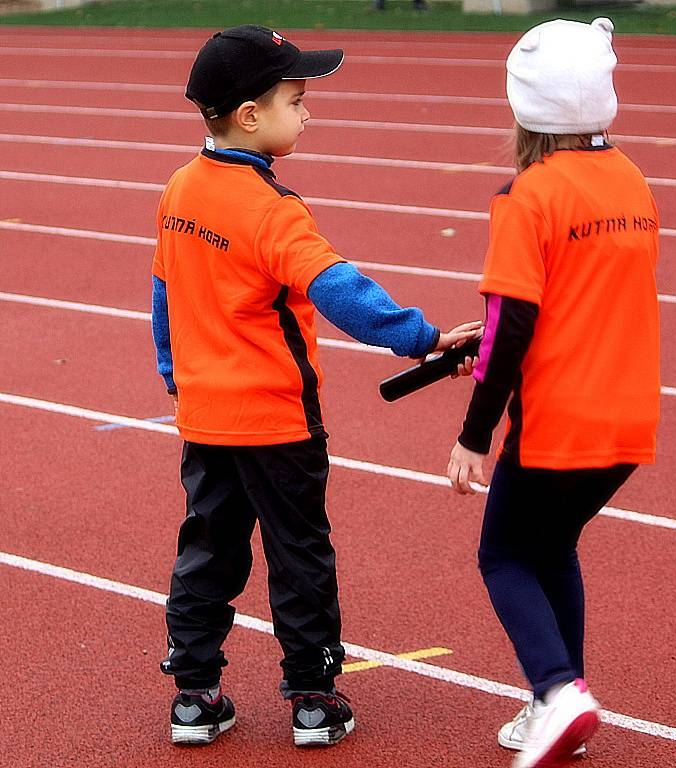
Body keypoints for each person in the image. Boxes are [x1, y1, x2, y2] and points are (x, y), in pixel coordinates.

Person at [151, 24, 480, 749]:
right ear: (249, 116)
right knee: (299, 554)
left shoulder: (179, 188)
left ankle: (194, 694)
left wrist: (176, 378)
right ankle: (311, 695)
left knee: (208, 548)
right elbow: (342, 292)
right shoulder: (273, 209)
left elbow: (163, 296)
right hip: (276, 424)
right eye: (296, 100)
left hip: (205, 420)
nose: (308, 114)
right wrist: (423, 338)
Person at [446, 18, 660, 768]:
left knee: (503, 555)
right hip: (628, 417)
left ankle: (557, 688)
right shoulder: (631, 179)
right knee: (554, 546)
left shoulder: (528, 196)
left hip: (559, 421)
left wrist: (474, 434)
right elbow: (580, 296)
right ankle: (555, 698)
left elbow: (510, 329)